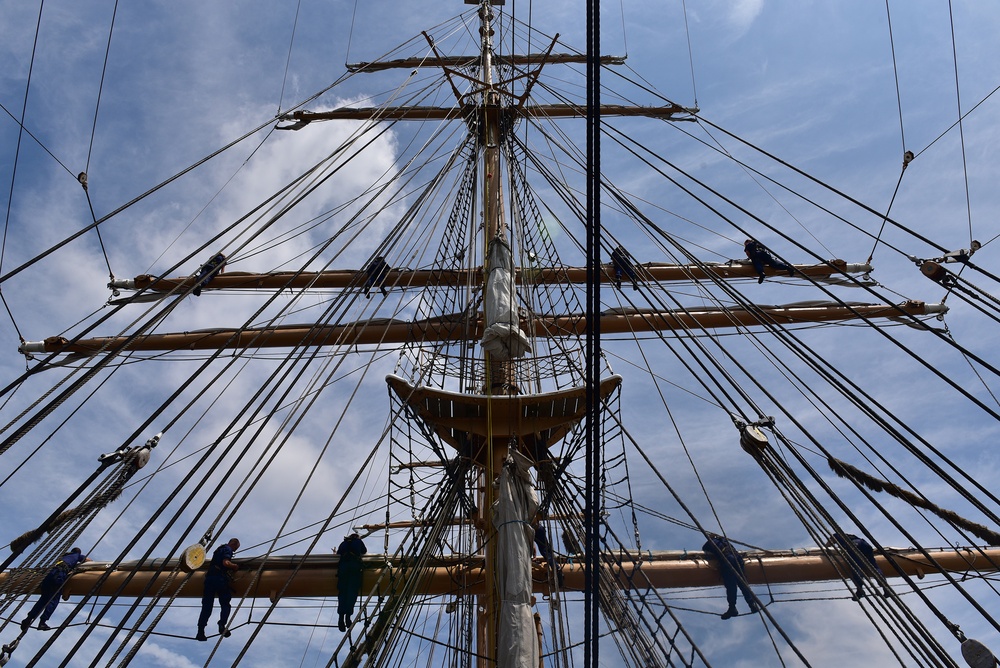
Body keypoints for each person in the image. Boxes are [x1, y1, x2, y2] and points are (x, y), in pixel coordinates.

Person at [21, 547, 91, 632]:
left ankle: (28, 618)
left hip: (49, 574)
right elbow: (89, 561)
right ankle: (42, 622)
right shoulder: (77, 555)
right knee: (54, 599)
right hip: (59, 575)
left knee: (44, 599)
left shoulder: (63, 557)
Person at [702, 534, 757, 619]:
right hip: (738, 558)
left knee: (731, 585)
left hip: (728, 559)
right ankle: (752, 604)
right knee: (742, 583)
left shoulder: (710, 543)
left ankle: (732, 608)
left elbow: (704, 548)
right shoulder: (724, 540)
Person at [197, 538, 240, 641]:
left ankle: (200, 631)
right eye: (235, 549)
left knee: (207, 606)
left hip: (209, 579)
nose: (234, 551)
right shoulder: (228, 549)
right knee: (225, 603)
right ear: (233, 544)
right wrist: (234, 566)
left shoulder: (218, 549)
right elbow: (226, 563)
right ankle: (222, 625)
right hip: (219, 579)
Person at [827, 532, 884, 600]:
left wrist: (826, 549)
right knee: (874, 566)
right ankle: (885, 587)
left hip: (855, 545)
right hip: (865, 544)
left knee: (856, 567)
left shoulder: (836, 535)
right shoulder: (849, 536)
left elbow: (827, 545)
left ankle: (860, 591)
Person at [337, 533, 367, 631]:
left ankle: (341, 617)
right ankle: (348, 616)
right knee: (352, 592)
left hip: (343, 568)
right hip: (354, 567)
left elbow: (339, 553)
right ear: (357, 537)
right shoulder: (358, 542)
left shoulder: (343, 543)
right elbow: (364, 551)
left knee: (343, 592)